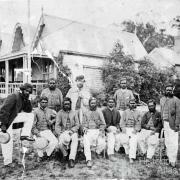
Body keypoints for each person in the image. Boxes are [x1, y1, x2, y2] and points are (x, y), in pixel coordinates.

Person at [0, 83, 34, 178]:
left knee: (30, 115)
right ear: (22, 89)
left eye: (29, 92)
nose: (27, 93)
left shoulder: (24, 98)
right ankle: (7, 162)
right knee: (7, 142)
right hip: (5, 120)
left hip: (13, 118)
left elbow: (28, 110)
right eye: (26, 91)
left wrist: (27, 100)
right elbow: (4, 110)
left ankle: (24, 135)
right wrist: (3, 125)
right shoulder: (13, 96)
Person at [32, 96, 58, 162]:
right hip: (38, 131)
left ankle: (47, 154)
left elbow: (58, 116)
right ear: (39, 103)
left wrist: (52, 121)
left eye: (46, 102)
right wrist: (37, 133)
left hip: (47, 130)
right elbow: (32, 125)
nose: (44, 104)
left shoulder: (50, 110)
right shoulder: (35, 111)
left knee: (55, 141)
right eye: (42, 102)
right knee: (40, 143)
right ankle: (40, 156)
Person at [81, 97, 106, 168]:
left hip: (97, 130)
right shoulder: (86, 112)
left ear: (96, 104)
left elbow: (103, 123)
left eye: (94, 103)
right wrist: (85, 128)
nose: (93, 104)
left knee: (102, 142)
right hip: (89, 130)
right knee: (86, 141)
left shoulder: (99, 112)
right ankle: (88, 159)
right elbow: (83, 123)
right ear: (89, 104)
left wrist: (101, 130)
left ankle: (97, 152)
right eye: (92, 103)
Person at [55, 97, 79, 169]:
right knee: (60, 142)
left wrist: (72, 130)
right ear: (63, 105)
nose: (67, 105)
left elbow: (77, 124)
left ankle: (71, 159)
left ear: (70, 104)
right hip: (63, 131)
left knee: (75, 139)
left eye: (68, 104)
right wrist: (59, 132)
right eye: (65, 104)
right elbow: (57, 125)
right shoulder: (60, 113)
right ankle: (65, 154)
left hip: (72, 131)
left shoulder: (74, 113)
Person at [115, 99, 141, 163]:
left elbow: (139, 122)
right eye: (131, 103)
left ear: (136, 104)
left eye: (134, 103)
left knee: (133, 141)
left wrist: (136, 129)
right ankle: (127, 153)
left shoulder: (138, 112)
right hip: (126, 128)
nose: (132, 104)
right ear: (129, 104)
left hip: (134, 129)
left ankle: (131, 157)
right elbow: (122, 121)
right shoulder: (125, 112)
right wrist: (123, 128)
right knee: (123, 139)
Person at [160, 84, 180, 167]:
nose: (168, 91)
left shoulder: (177, 100)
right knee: (167, 141)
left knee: (174, 142)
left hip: (173, 124)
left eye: (170, 90)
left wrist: (177, 125)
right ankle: (169, 157)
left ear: (172, 91)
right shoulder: (162, 99)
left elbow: (178, 114)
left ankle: (173, 160)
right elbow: (161, 111)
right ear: (165, 90)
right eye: (167, 90)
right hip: (165, 123)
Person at [102, 97, 121, 161]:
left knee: (118, 137)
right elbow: (102, 122)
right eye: (109, 102)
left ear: (114, 103)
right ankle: (110, 154)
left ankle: (116, 150)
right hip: (107, 129)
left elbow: (118, 122)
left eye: (112, 102)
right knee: (111, 137)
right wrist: (106, 128)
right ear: (107, 103)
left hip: (115, 129)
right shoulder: (104, 111)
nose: (111, 103)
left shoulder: (117, 111)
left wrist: (118, 128)